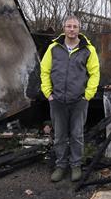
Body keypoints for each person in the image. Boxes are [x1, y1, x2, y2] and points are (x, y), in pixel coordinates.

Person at [40, 15, 100, 182]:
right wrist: (48, 94)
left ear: (79, 29)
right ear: (64, 28)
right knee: (59, 136)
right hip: (57, 100)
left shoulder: (88, 49)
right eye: (69, 26)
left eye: (75, 26)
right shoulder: (53, 48)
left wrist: (87, 95)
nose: (72, 29)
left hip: (78, 101)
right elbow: (44, 71)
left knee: (77, 135)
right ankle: (60, 166)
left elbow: (95, 74)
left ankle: (75, 166)